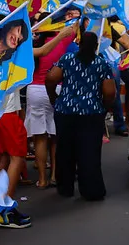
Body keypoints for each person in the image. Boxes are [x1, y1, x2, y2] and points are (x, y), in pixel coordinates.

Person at [45, 32, 116, 201]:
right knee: (89, 152)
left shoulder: (67, 59)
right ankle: (91, 190)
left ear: (79, 43)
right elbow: (110, 92)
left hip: (66, 111)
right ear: (95, 46)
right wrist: (105, 108)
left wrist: (54, 98)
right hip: (91, 113)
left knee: (65, 151)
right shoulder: (101, 63)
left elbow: (50, 78)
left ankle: (65, 188)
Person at [26, 24, 78, 189]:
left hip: (34, 90)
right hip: (56, 89)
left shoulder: (31, 44)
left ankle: (42, 179)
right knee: (55, 137)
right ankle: (55, 175)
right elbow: (75, 27)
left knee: (40, 137)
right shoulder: (62, 41)